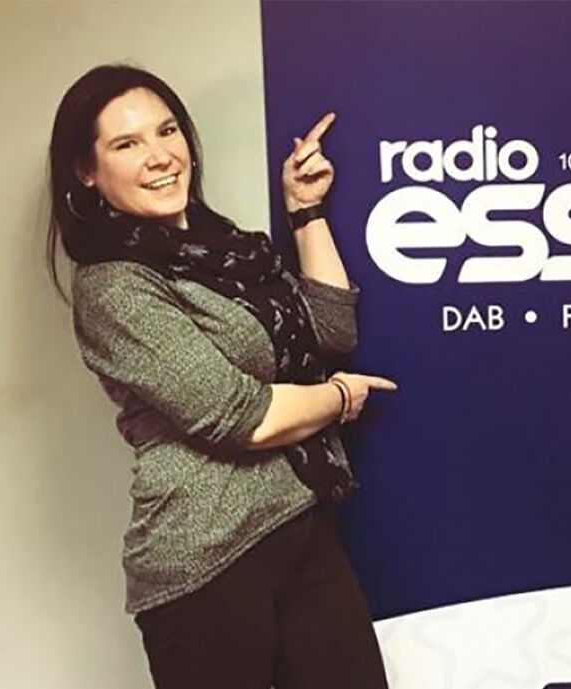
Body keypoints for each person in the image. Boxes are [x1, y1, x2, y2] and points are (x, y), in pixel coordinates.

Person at [46, 65, 395, 688]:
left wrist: (306, 212)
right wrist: (341, 396)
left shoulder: (228, 250)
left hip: (301, 523)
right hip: (207, 559)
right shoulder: (113, 285)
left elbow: (331, 331)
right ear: (86, 171)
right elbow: (240, 417)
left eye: (167, 131)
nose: (160, 156)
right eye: (126, 144)